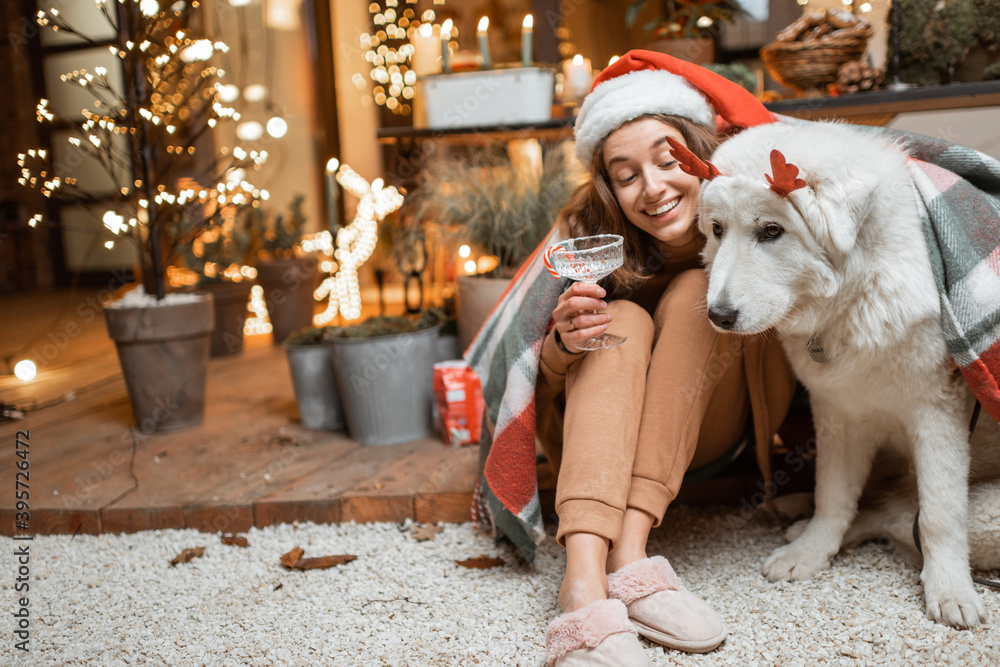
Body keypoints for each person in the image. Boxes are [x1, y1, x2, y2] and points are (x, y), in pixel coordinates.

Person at [529, 52, 799, 666]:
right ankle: (584, 583)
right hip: (602, 445)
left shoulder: (760, 209)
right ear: (609, 190)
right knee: (615, 318)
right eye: (626, 176)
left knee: (702, 290)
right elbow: (527, 381)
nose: (652, 187)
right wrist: (561, 344)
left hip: (712, 429)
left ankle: (631, 550)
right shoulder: (581, 233)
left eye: (669, 159)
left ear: (703, 153)